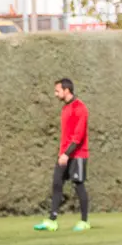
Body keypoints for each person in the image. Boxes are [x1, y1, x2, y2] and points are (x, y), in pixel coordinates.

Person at [34, 78, 91, 232]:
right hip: (64, 155)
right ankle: (52, 220)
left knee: (79, 186)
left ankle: (84, 221)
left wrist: (66, 154)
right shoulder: (65, 109)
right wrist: (63, 154)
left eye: (57, 90)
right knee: (57, 183)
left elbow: (78, 136)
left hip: (77, 154)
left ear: (67, 90)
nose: (55, 94)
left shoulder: (80, 108)